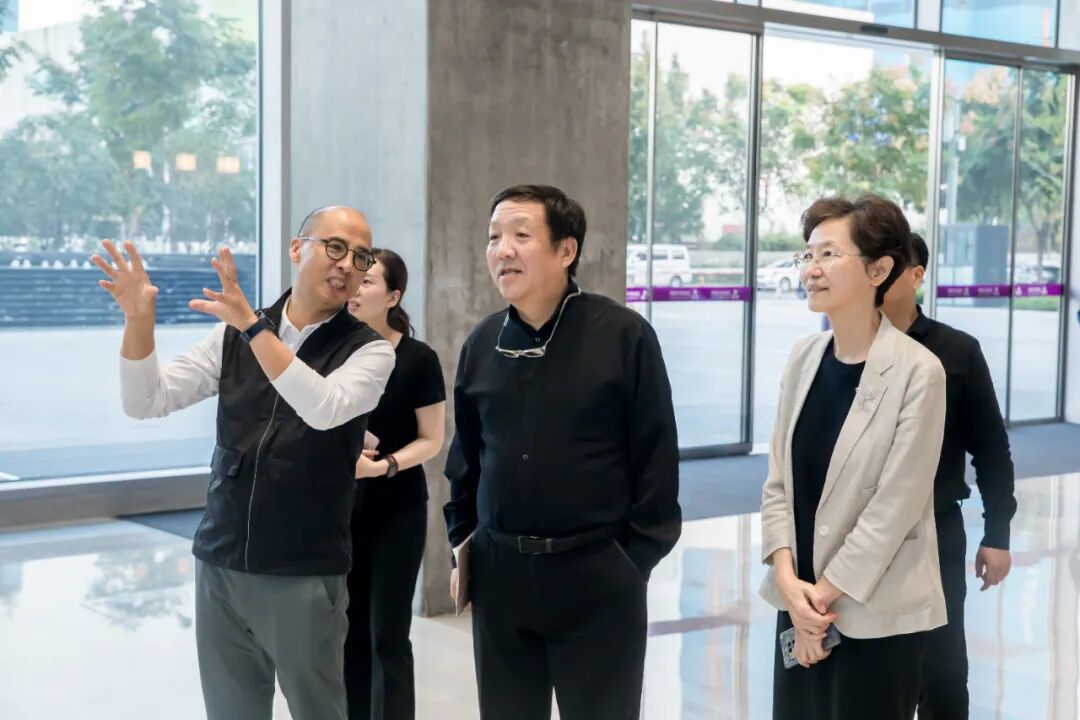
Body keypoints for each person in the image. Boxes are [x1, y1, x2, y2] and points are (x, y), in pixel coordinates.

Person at [92, 206, 396, 720]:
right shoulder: (235, 333)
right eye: (335, 247)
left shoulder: (369, 351)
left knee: (319, 710)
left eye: (361, 256)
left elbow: (323, 408)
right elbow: (145, 400)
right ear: (297, 248)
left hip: (303, 569)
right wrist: (139, 320)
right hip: (221, 558)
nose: (347, 264)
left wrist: (255, 329)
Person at [444, 184, 681, 720]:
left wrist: (632, 562)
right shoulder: (482, 342)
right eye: (494, 237)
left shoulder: (623, 336)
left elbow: (656, 457)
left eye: (520, 235)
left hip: (596, 572)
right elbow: (466, 458)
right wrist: (463, 541)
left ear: (566, 250)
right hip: (501, 575)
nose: (502, 250)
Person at [759, 195, 948, 720]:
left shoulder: (918, 372)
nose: (810, 269)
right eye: (807, 255)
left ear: (878, 270)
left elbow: (894, 508)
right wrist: (789, 586)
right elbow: (777, 485)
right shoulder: (803, 358)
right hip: (799, 603)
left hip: (873, 614)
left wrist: (818, 603)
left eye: (828, 254)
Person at [882, 233, 1017, 719]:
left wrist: (997, 534)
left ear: (916, 275)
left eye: (890, 267)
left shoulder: (957, 351)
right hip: (857, 531)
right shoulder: (844, 350)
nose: (878, 275)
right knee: (869, 669)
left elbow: (991, 449)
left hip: (934, 528)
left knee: (940, 665)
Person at [343, 248, 446, 720]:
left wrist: (384, 465)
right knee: (348, 633)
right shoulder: (335, 353)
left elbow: (432, 439)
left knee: (387, 635)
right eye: (355, 279)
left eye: (368, 281)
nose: (355, 288)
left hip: (397, 510)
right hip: (341, 510)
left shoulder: (418, 359)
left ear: (393, 297)